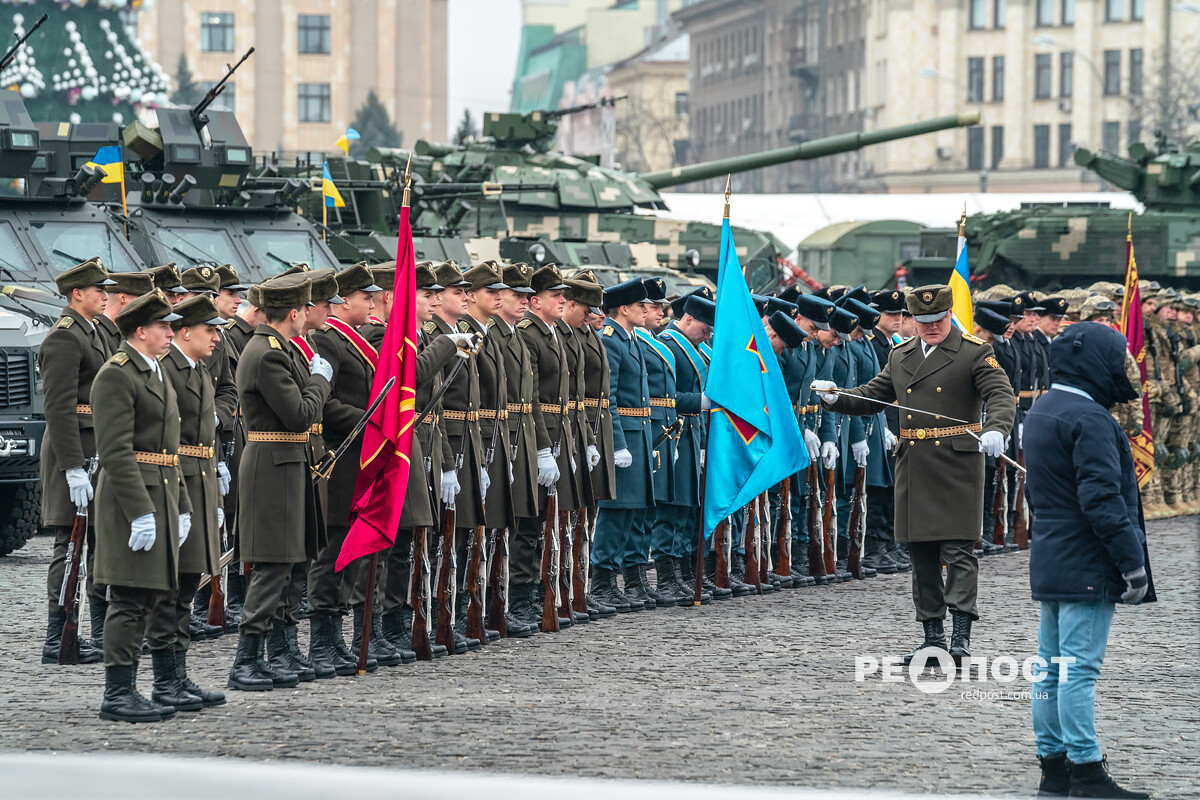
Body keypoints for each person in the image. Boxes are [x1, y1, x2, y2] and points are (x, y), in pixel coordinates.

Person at [814, 285, 1015, 665]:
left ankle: (960, 637)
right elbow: (873, 395)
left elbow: (1000, 394)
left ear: (949, 315)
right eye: (924, 322)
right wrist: (836, 397)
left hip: (957, 463)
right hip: (916, 463)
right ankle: (932, 637)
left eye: (939, 320)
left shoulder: (974, 352)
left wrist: (996, 428)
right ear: (911, 320)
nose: (932, 327)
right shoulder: (901, 354)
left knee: (958, 551)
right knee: (921, 553)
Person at [1023, 321, 1154, 800]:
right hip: (1087, 561)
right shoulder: (1090, 417)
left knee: (1050, 669)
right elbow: (1101, 499)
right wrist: (1132, 562)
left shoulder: (1043, 408)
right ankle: (1086, 771)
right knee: (1077, 671)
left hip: (1053, 554)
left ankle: (1053, 770)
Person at [227, 274, 332, 692]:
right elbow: (300, 415)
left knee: (293, 563)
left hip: (289, 464)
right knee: (272, 566)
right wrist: (320, 381)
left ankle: (282, 650)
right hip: (272, 467)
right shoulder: (267, 354)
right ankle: (246, 660)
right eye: (305, 308)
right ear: (293, 312)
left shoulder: (280, 348)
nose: (308, 314)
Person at [91, 290, 189, 723]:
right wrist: (139, 511)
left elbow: (169, 451)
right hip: (130, 499)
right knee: (128, 597)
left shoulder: (154, 369)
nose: (170, 333)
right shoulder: (117, 374)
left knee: (151, 595)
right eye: (163, 326)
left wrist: (181, 504)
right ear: (140, 330)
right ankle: (118, 693)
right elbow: (115, 450)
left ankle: (136, 688)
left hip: (160, 492)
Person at [39, 258, 116, 666]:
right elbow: (59, 407)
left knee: (99, 540)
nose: (106, 295)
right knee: (68, 544)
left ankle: (100, 632)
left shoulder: (95, 331)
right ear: (77, 294)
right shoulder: (64, 338)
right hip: (72, 450)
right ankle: (58, 635)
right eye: (99, 289)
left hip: (97, 449)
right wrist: (71, 466)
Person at [159, 295, 229, 710]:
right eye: (210, 330)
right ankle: (165, 679)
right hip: (176, 481)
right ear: (185, 332)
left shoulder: (197, 369)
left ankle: (179, 675)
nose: (217, 338)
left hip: (200, 479)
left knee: (187, 586)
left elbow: (207, 439)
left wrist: (215, 485)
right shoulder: (166, 368)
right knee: (170, 589)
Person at [590, 279, 654, 613]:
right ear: (624, 309)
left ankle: (621, 580)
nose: (647, 310)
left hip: (638, 433)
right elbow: (608, 397)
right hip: (625, 435)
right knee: (615, 513)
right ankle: (602, 582)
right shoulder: (611, 340)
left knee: (632, 511)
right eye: (641, 306)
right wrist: (616, 443)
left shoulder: (630, 338)